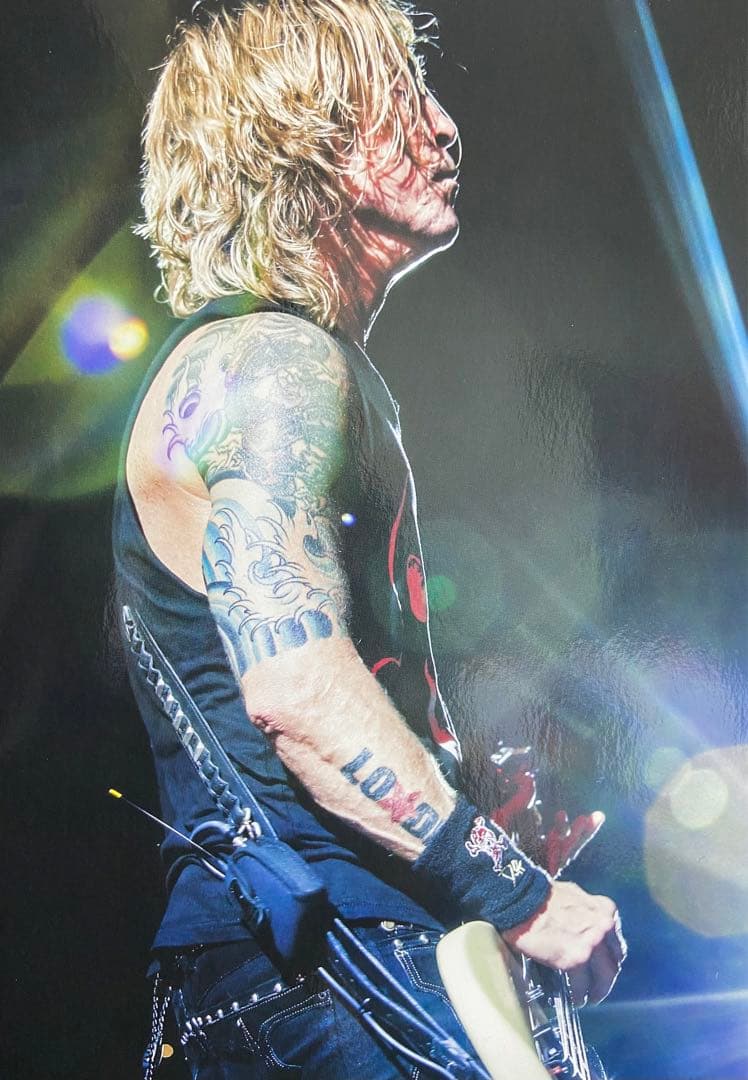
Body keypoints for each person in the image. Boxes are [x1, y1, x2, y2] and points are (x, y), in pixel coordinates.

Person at [114, 1, 625, 1075]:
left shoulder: (302, 364)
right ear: (300, 135)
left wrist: (475, 808)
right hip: (329, 969)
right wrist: (517, 894)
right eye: (402, 97)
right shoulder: (273, 361)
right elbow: (294, 689)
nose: (444, 127)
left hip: (322, 964)